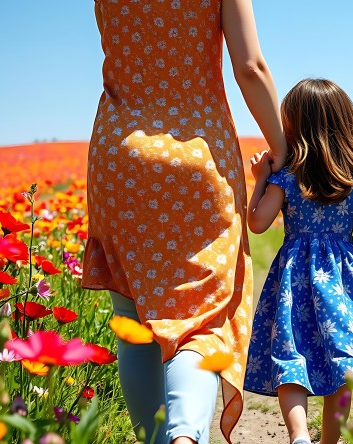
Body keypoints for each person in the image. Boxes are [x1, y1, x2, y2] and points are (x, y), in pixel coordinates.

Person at [81, 1, 286, 443]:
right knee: (200, 321)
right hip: (199, 160)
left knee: (133, 317)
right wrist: (284, 150)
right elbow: (249, 66)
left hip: (119, 157)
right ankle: (184, 435)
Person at [243, 79, 353, 444]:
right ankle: (328, 441)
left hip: (294, 274)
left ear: (292, 125)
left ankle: (298, 437)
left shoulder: (287, 176)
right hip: (342, 279)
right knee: (342, 362)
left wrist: (260, 179)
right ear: (343, 123)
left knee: (291, 353)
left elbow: (258, 223)